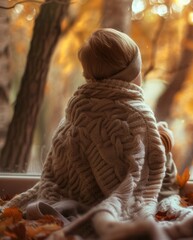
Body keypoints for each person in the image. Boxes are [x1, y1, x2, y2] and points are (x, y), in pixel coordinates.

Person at [1, 28, 178, 238]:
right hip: (107, 203)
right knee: (163, 162)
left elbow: (61, 165)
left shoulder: (77, 109)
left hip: (72, 197)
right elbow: (141, 172)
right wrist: (162, 142)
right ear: (132, 73)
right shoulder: (137, 115)